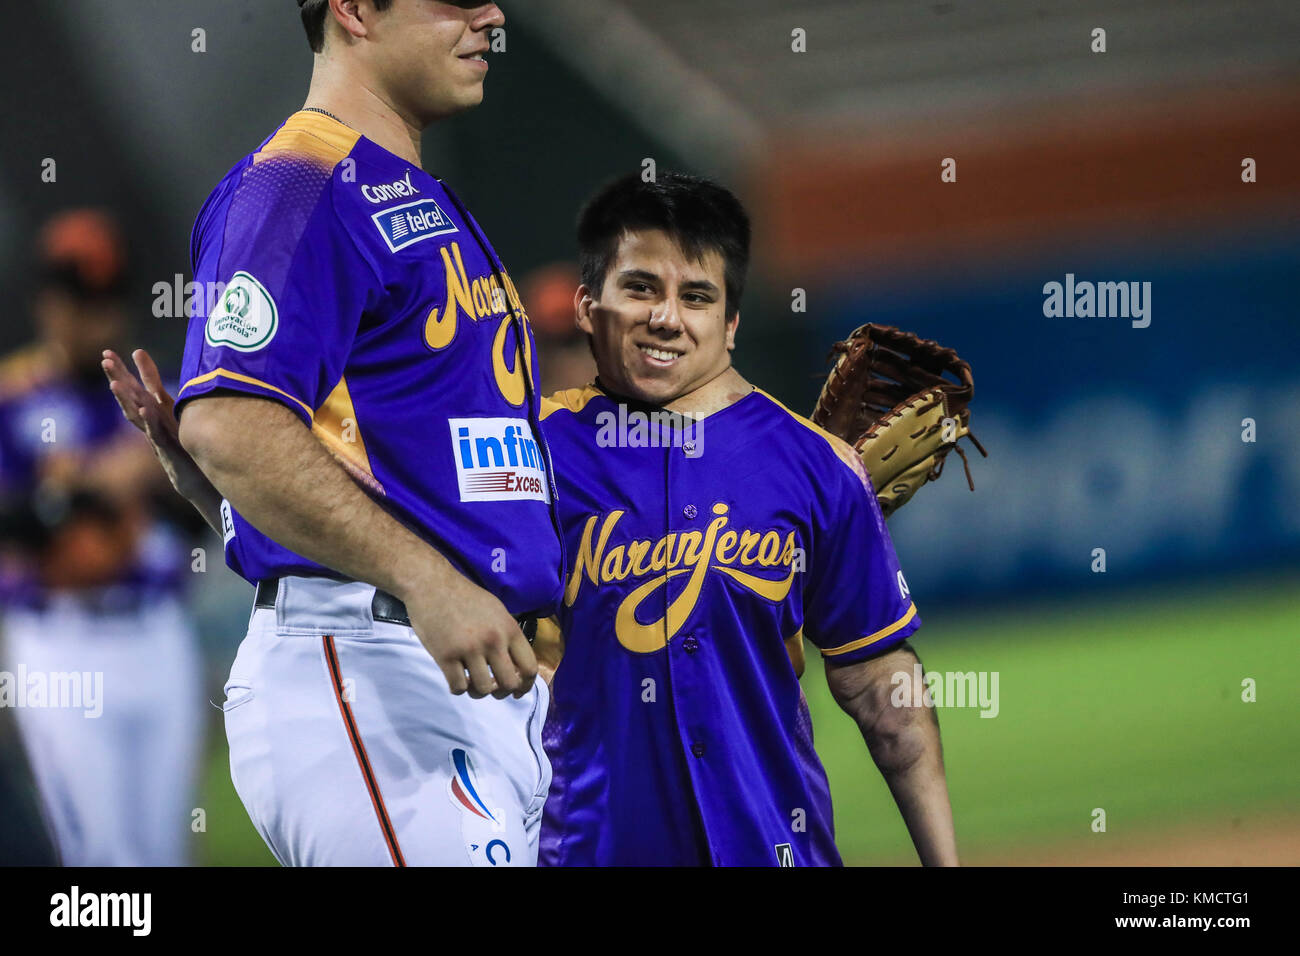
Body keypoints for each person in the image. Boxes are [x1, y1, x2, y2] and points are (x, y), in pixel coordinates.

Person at [120, 0, 561, 866]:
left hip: (471, 675)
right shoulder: (299, 185)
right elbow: (230, 422)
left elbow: (373, 467)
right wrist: (430, 583)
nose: (492, 15)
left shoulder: (414, 193)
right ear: (355, 10)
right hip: (371, 673)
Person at [533, 173, 959, 865]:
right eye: (640, 288)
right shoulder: (528, 459)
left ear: (730, 323)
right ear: (588, 306)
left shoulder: (816, 467)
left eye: (696, 296)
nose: (666, 317)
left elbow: (887, 697)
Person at [0, 209, 201, 866]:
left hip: (157, 628)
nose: (90, 318)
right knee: (100, 856)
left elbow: (208, 520)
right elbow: (14, 522)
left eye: (104, 301)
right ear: (45, 303)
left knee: (162, 853)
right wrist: (89, 488)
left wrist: (162, 474)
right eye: (75, 300)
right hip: (63, 640)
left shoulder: (154, 393)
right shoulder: (15, 397)